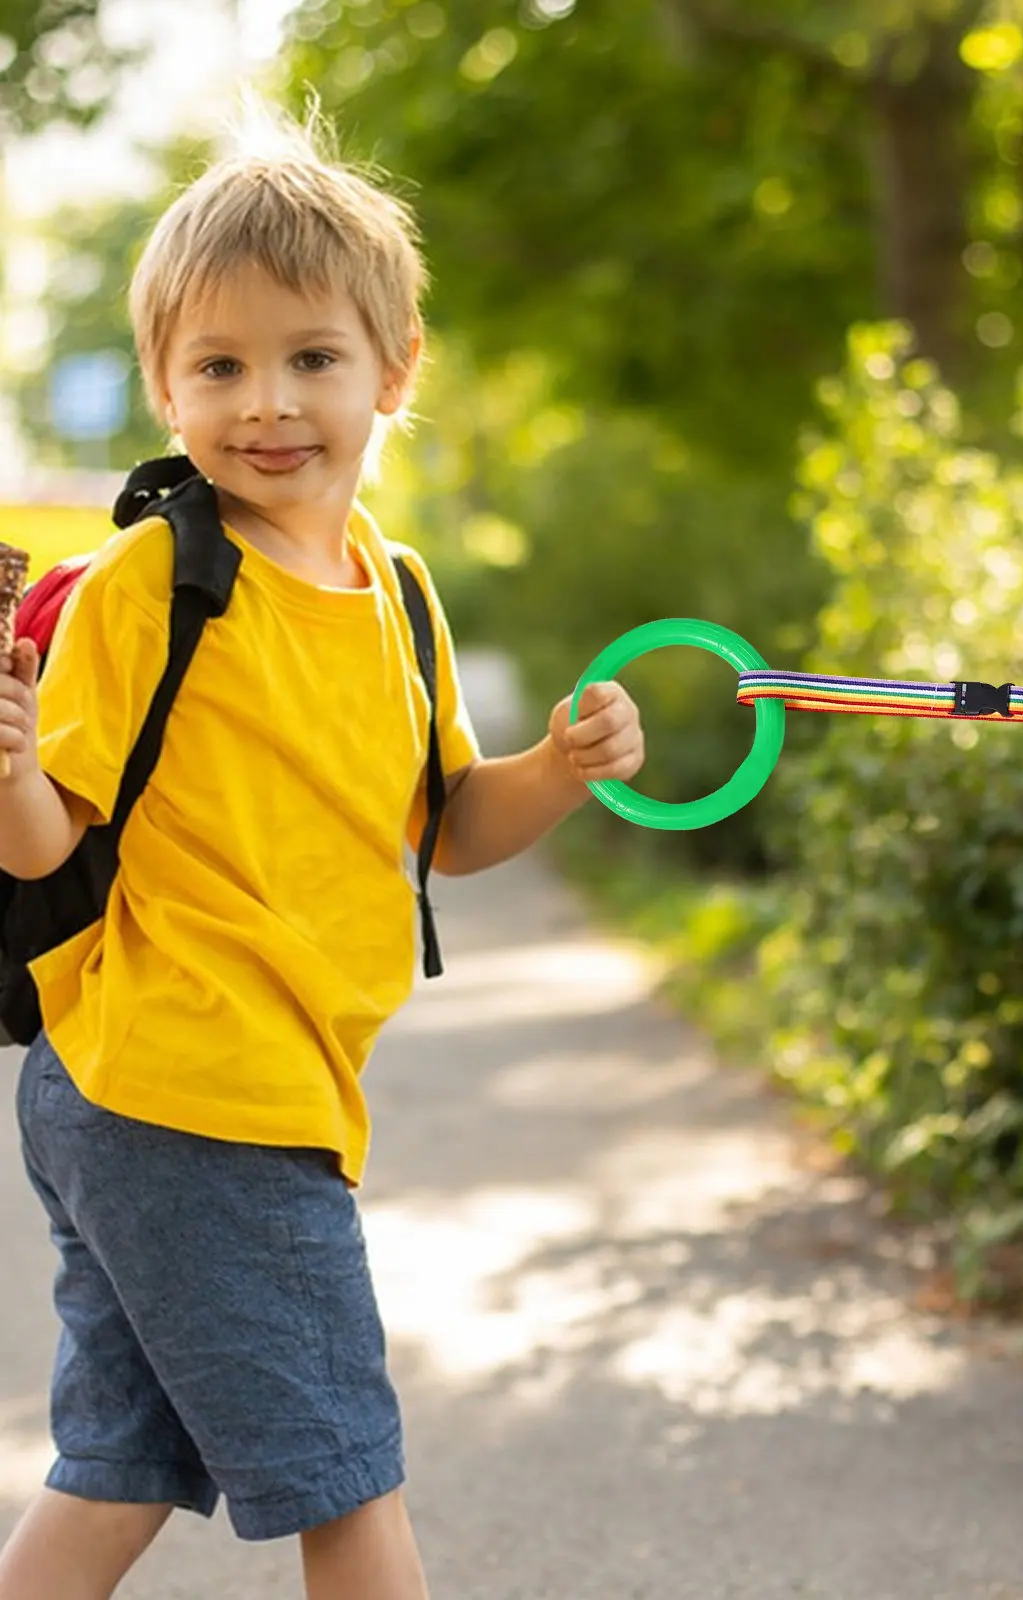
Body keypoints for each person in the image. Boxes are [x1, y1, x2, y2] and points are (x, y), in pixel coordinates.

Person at [0, 98, 644, 1600]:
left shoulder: (397, 590)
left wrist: (557, 770)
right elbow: (46, 848)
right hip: (181, 1083)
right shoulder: (154, 581)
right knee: (351, 1478)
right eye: (219, 366)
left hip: (245, 1091)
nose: (267, 402)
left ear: (393, 373)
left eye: (311, 358)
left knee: (122, 1465)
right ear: (165, 389)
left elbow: (450, 830)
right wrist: (15, 766)